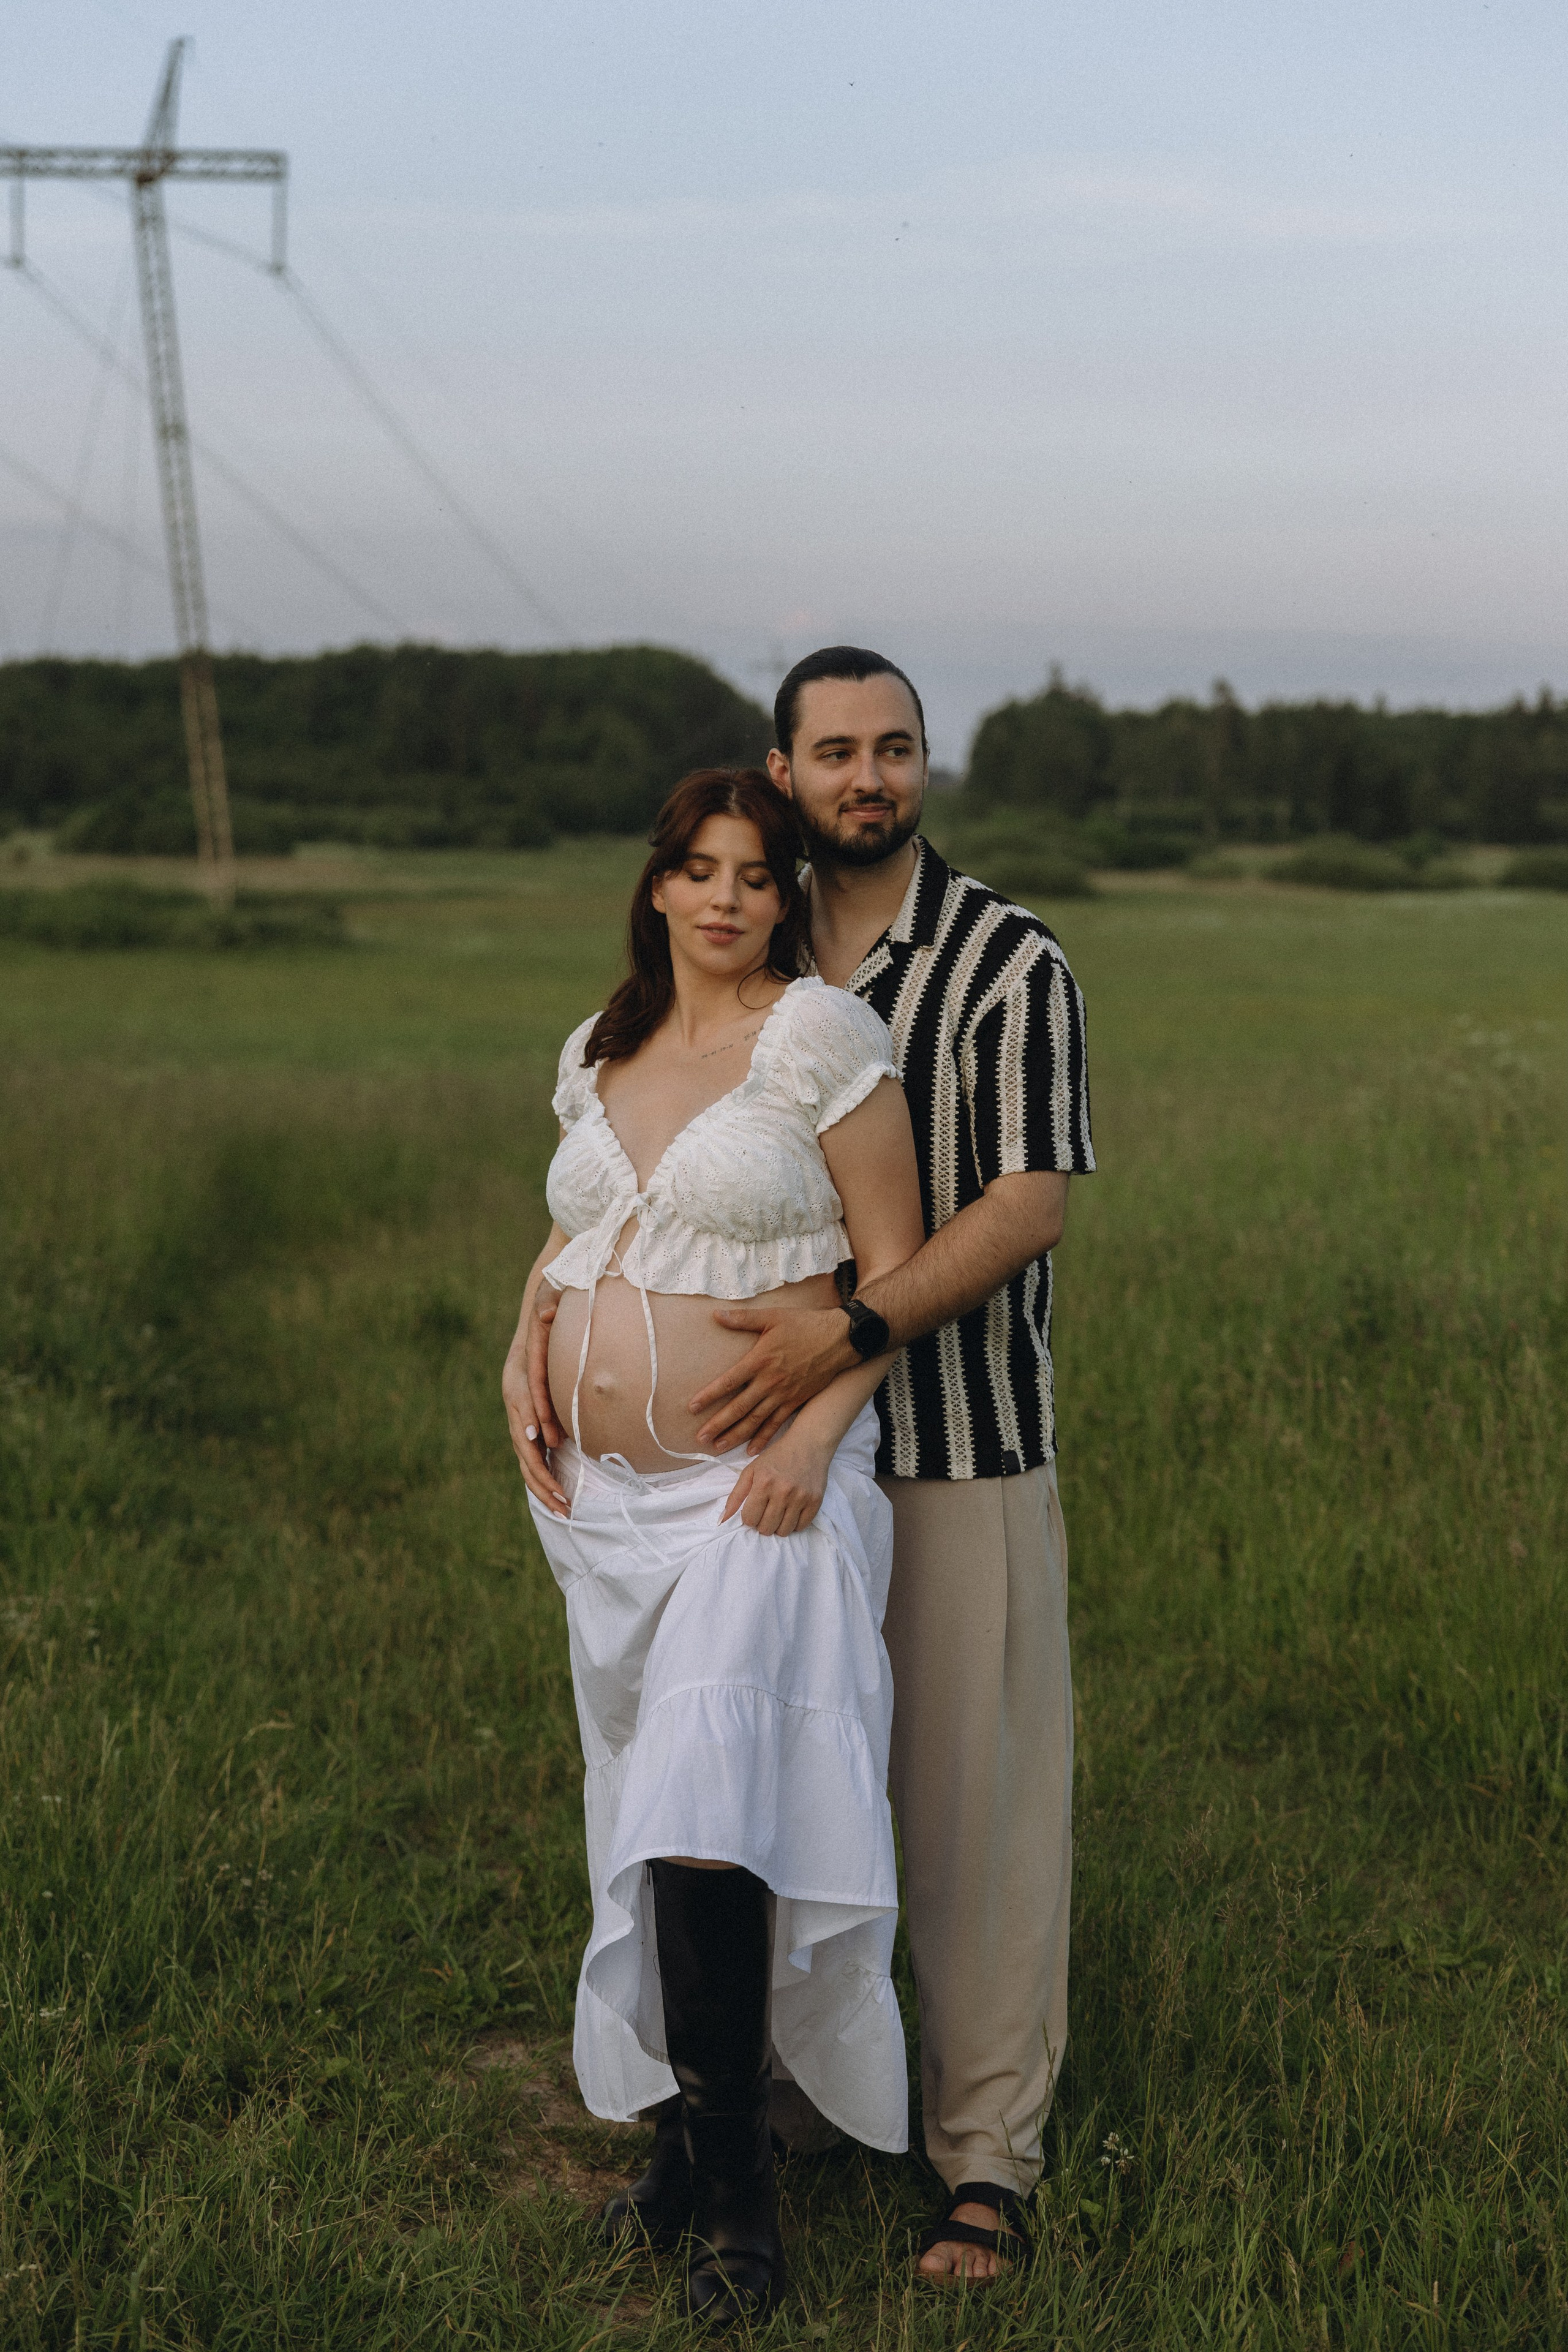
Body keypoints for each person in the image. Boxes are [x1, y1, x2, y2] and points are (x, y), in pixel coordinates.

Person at [684, 648, 1096, 2282]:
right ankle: (789, 2093)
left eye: (896, 749)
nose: (869, 777)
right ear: (781, 771)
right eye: (837, 751)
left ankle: (986, 2157)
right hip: (781, 1466)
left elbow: (1023, 1205)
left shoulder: (1005, 960)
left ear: (925, 765)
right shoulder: (757, 948)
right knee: (784, 1779)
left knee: (977, 1810)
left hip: (953, 1446)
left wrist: (851, 1332)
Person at [502, 767, 927, 2326]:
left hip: (759, 1490)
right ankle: (684, 2145)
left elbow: (894, 1271)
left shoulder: (816, 1035)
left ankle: (740, 2212)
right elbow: (579, 1231)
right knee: (641, 1801)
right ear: (660, 885)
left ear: (781, 893)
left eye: (756, 873)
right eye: (700, 869)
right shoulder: (600, 1046)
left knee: (700, 1809)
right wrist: (520, 1337)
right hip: (602, 1512)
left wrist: (815, 1430)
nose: (729, 898)